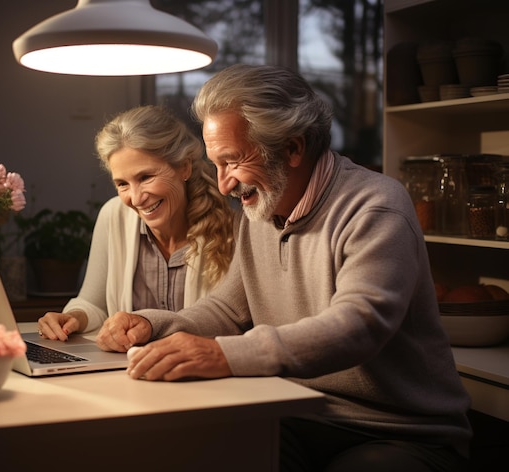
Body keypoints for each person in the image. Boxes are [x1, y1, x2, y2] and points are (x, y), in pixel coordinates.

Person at [95, 65, 472, 472]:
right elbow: (227, 310)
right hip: (296, 413)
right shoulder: (261, 210)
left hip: (399, 431)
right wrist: (152, 325)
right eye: (215, 165)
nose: (223, 185)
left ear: (292, 148)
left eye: (233, 161)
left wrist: (223, 355)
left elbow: (359, 326)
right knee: (188, 451)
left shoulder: (374, 207)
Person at [37, 105, 236, 341]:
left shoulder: (235, 227)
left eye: (146, 177)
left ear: (184, 167)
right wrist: (75, 317)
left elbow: (233, 321)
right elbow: (93, 302)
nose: (136, 197)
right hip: (127, 371)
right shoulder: (114, 215)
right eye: (122, 184)